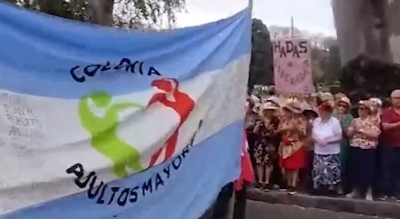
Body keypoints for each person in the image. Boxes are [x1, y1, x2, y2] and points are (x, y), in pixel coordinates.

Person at [347, 100, 381, 201]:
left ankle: (369, 192)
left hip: (368, 148)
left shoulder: (373, 120)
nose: (360, 111)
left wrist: (361, 130)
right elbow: (349, 134)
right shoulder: (355, 120)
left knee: (368, 171)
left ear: (367, 110)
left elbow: (375, 134)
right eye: (359, 108)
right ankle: (356, 190)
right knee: (356, 170)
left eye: (362, 108)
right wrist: (351, 131)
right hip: (355, 146)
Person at [311, 102, 343, 196]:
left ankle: (331, 188)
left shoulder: (334, 122)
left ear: (328, 112)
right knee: (318, 169)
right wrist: (318, 139)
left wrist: (328, 140)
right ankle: (317, 187)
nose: (321, 113)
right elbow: (313, 133)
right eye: (320, 111)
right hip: (319, 149)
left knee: (331, 170)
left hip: (331, 150)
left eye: (323, 112)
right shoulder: (317, 121)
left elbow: (339, 136)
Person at [278, 101, 307, 194]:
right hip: (286, 144)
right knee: (287, 166)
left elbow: (303, 134)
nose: (287, 113)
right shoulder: (284, 119)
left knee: (295, 166)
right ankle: (288, 183)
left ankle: (293, 185)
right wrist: (286, 129)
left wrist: (296, 128)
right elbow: (279, 130)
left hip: (296, 144)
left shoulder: (301, 120)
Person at [253, 102, 280, 190]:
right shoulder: (259, 120)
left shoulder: (275, 121)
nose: (269, 112)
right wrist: (259, 123)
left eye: (271, 111)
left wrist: (272, 130)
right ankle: (260, 181)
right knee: (259, 163)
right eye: (268, 110)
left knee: (269, 163)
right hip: (260, 143)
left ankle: (267, 181)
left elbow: (277, 133)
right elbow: (255, 131)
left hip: (270, 144)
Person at [380, 90, 400, 201]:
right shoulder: (387, 112)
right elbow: (385, 127)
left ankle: (398, 192)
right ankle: (387, 192)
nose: (398, 100)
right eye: (396, 98)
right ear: (391, 99)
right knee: (388, 169)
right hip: (389, 145)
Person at [333, 96, 353, 194]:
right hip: (331, 142)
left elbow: (349, 133)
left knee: (341, 164)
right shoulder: (332, 115)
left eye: (344, 106)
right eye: (340, 105)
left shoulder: (349, 118)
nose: (341, 107)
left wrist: (341, 124)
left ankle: (340, 186)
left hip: (342, 143)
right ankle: (331, 185)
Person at [301, 104, 319, 192]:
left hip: (313, 146)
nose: (309, 115)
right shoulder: (304, 121)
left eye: (310, 113)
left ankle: (313, 185)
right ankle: (305, 185)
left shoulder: (316, 122)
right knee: (305, 167)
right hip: (304, 145)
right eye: (307, 113)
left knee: (312, 166)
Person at [245, 95, 260, 181]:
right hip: (245, 133)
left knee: (252, 154)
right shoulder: (244, 113)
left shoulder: (256, 115)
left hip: (253, 134)